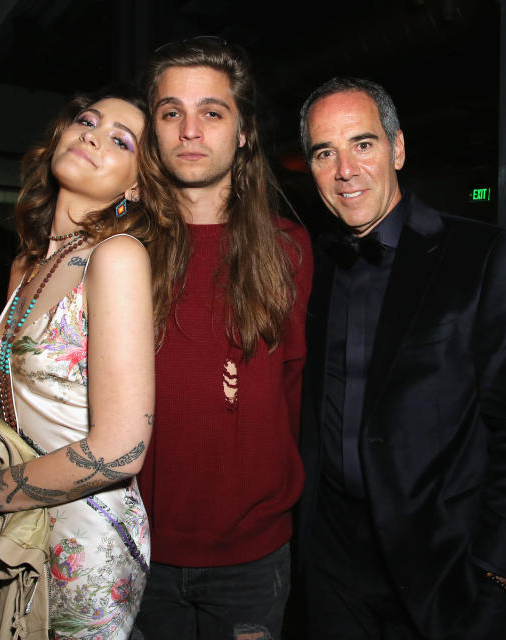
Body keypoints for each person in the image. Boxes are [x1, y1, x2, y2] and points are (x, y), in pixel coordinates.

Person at [294, 77, 506, 640]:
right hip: (331, 562)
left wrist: (498, 570)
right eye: (325, 152)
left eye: (362, 144)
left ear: (398, 148)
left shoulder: (483, 257)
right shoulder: (306, 267)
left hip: (446, 565)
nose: (345, 169)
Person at [0, 91, 161, 640]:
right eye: (86, 120)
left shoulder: (118, 256)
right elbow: (9, 405)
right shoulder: (27, 264)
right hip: (17, 523)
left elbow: (121, 449)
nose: (94, 135)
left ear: (136, 185)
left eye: (120, 140)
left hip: (86, 541)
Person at [133, 38, 313, 640]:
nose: (189, 130)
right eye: (170, 113)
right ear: (153, 132)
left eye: (211, 112)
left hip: (253, 557)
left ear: (242, 133)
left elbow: (292, 390)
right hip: (135, 548)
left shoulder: (289, 248)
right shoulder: (118, 250)